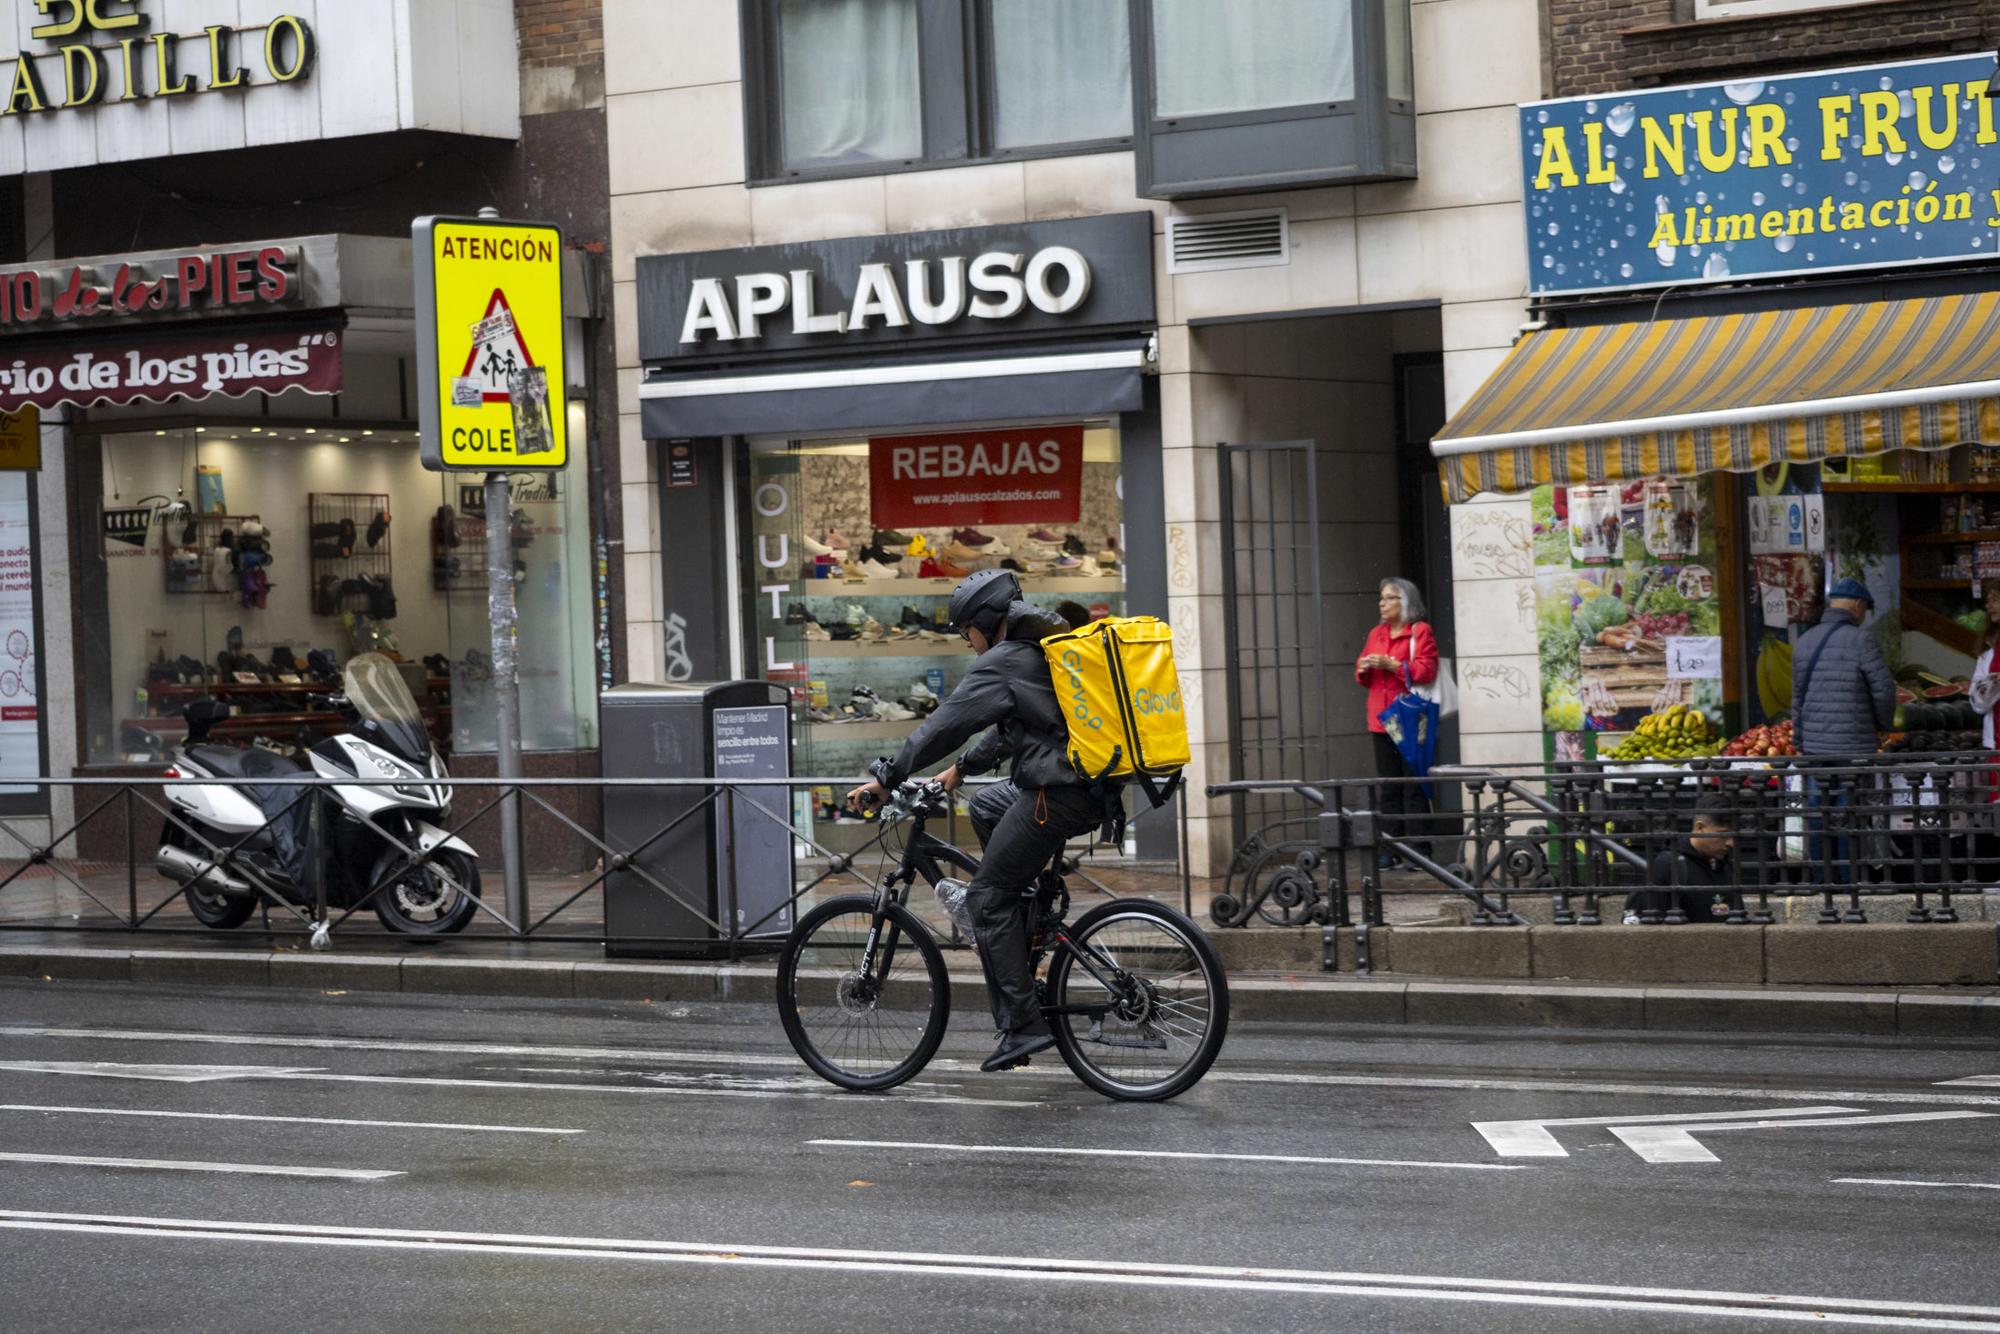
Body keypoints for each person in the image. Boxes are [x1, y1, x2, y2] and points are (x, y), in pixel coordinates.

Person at [845, 569, 1102, 1073]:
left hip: (1055, 792)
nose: (968, 643)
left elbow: (948, 721)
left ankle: (1024, 1026)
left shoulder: (1007, 658)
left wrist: (887, 775)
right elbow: (1012, 731)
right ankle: (1027, 918)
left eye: (967, 632)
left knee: (985, 899)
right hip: (1078, 788)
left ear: (985, 622)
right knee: (986, 807)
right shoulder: (1038, 649)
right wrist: (960, 771)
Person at [1792, 576, 1896, 882]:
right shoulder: (1861, 640)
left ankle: (1821, 885)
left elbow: (1797, 698)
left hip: (1815, 751)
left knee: (1817, 815)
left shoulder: (1805, 641)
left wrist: (1801, 739)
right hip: (1853, 747)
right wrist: (1884, 726)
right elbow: (1884, 691)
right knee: (1848, 815)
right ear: (1858, 605)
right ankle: (1849, 885)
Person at [1354, 577, 1439, 868]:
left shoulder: (1420, 631)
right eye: (1382, 597)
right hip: (1381, 718)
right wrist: (1365, 667)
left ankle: (1419, 850)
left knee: (1413, 785)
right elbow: (1363, 671)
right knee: (1388, 786)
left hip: (1410, 717)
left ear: (1406, 602)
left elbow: (1427, 671)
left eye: (1390, 598)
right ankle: (1389, 847)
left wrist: (1393, 665)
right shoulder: (1376, 633)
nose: (1382, 603)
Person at [1624, 793, 1745, 924]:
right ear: (1700, 828)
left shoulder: (1725, 863)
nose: (1730, 843)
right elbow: (1642, 928)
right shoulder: (1669, 865)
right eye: (1724, 834)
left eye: (1734, 836)